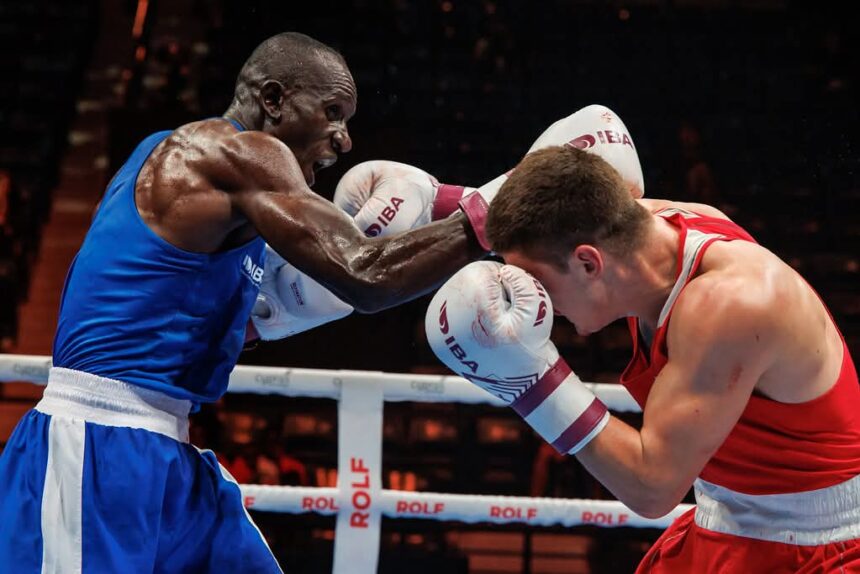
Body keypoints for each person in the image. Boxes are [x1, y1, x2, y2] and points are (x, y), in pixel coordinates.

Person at [0, 31, 494, 573]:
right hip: (97, 449)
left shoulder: (202, 178)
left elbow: (165, 307)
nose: (345, 139)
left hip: (167, 452)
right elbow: (365, 274)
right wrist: (501, 210)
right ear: (274, 99)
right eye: (332, 112)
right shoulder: (234, 155)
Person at [425, 144, 860, 572]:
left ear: (588, 263)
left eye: (536, 280)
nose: (532, 298)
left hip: (816, 551)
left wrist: (531, 385)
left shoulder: (730, 304)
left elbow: (653, 488)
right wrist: (441, 205)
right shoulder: (636, 231)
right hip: (724, 523)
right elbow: (556, 192)